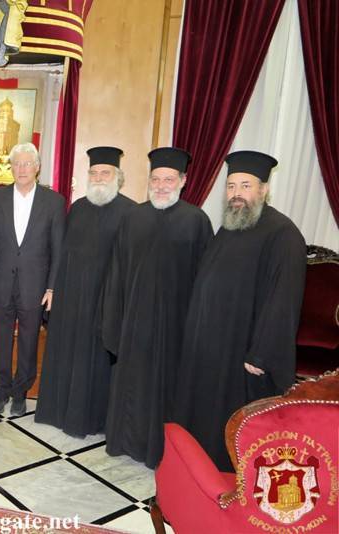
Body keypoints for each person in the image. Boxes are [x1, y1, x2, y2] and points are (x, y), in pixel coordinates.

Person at [174, 150, 306, 472]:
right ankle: (197, 470)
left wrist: (262, 354)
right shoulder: (230, 227)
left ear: (263, 189)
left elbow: (284, 300)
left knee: (234, 422)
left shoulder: (283, 234)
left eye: (245, 186)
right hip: (208, 349)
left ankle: (228, 478)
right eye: (231, 186)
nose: (237, 194)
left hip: (243, 353)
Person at [101, 147, 212, 468]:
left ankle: (161, 450)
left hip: (174, 326)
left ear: (183, 181)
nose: (161, 185)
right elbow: (117, 273)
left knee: (166, 388)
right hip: (134, 322)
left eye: (168, 179)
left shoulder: (197, 221)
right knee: (131, 385)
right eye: (156, 179)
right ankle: (125, 442)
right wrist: (114, 322)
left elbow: (204, 281)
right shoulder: (133, 217)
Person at [35, 146, 136, 436]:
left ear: (117, 177)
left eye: (105, 173)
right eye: (94, 172)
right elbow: (64, 253)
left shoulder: (130, 212)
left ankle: (92, 420)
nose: (99, 178)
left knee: (97, 362)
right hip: (72, 300)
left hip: (106, 302)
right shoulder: (78, 207)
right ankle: (59, 411)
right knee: (68, 355)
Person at [0, 143, 65, 417]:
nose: (21, 169)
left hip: (36, 286)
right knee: (2, 340)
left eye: (27, 163)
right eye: (17, 163)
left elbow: (58, 248)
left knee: (30, 341)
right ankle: (2, 389)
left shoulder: (53, 201)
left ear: (37, 168)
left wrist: (52, 286)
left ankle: (20, 392)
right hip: (2, 283)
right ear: (11, 167)